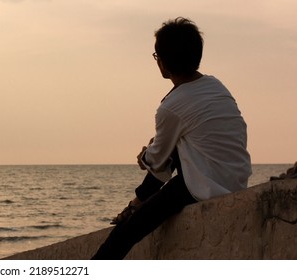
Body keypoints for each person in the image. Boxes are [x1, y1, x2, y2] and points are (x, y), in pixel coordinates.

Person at [91, 17, 252, 260]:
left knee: (128, 232)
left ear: (163, 63)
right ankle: (137, 201)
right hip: (235, 180)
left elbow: (156, 160)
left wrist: (145, 156)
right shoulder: (215, 85)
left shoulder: (171, 107)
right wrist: (155, 153)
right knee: (174, 149)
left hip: (203, 186)